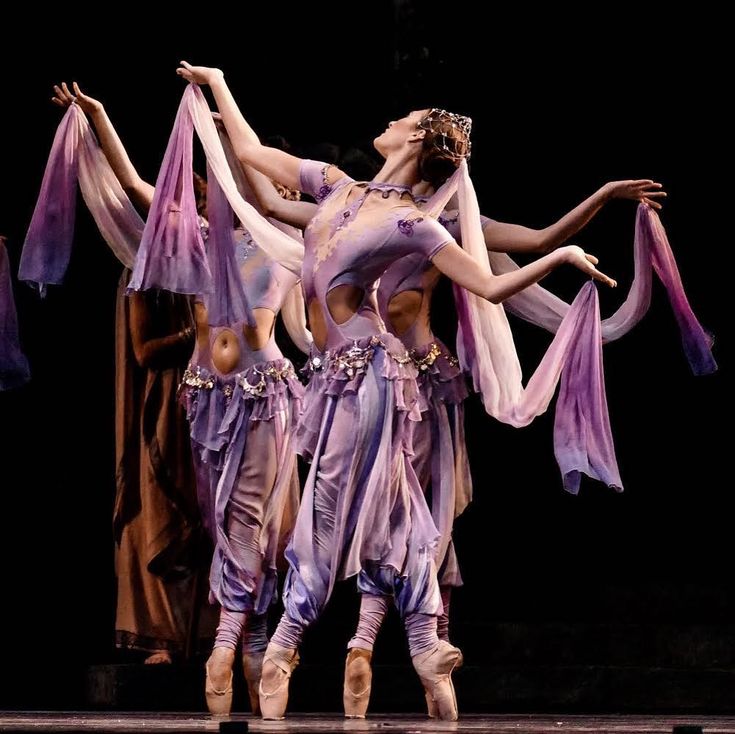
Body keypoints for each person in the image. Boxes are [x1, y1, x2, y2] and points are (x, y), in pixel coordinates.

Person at [175, 61, 617, 721]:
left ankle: (285, 646)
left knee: (330, 507)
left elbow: (491, 285)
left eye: (401, 120)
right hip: (336, 377)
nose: (388, 122)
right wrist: (217, 82)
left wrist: (561, 253)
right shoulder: (334, 187)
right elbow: (252, 163)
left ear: (414, 141)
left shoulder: (414, 224)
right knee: (395, 510)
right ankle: (423, 642)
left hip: (370, 375)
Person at [51, 83, 204, 665]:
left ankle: (219, 633)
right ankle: (163, 636)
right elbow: (134, 187)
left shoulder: (227, 243)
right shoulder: (150, 269)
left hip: (226, 394)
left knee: (220, 514)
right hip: (168, 398)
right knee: (163, 507)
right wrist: (99, 113)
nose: (181, 204)